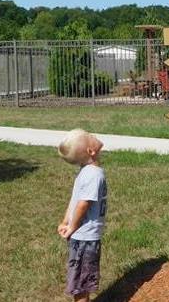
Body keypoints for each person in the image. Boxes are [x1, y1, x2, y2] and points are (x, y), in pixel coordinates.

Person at [57, 129, 107, 302]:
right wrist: (71, 226)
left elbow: (74, 200)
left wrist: (65, 221)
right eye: (90, 136)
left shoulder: (85, 171)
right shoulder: (93, 174)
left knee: (81, 283)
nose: (93, 135)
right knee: (82, 285)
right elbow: (83, 203)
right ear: (91, 151)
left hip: (83, 238)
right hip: (85, 239)